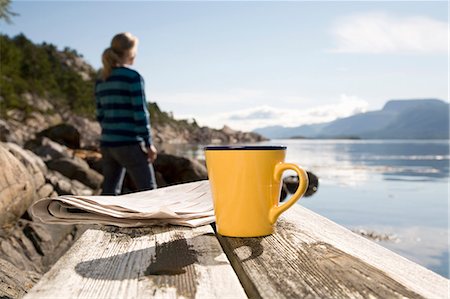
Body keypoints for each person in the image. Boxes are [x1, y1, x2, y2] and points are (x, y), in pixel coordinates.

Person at [95, 32, 157, 195]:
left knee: (109, 192)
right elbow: (140, 113)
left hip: (108, 144)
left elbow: (100, 114)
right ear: (130, 52)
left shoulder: (101, 79)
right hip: (129, 143)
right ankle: (156, 222)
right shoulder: (133, 77)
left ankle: (105, 221)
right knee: (149, 192)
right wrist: (148, 143)